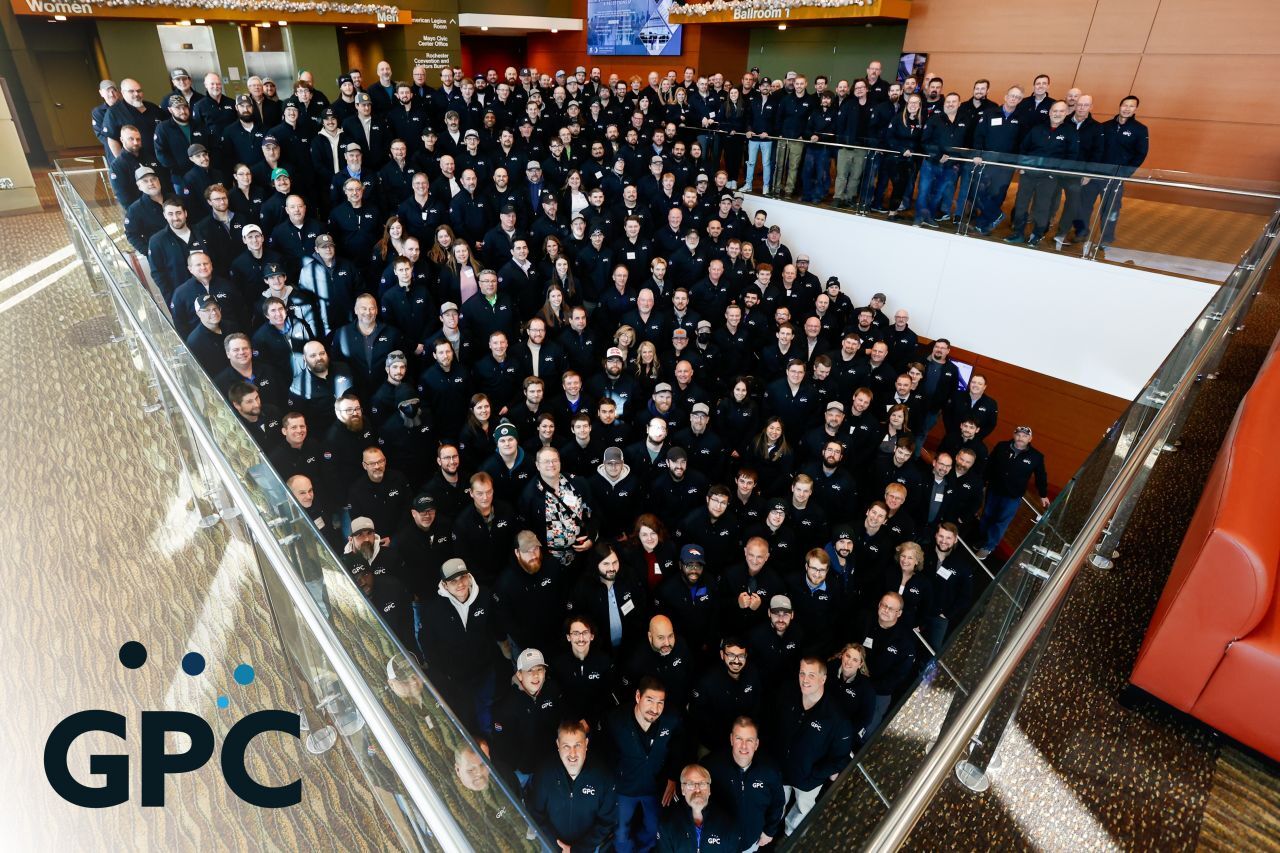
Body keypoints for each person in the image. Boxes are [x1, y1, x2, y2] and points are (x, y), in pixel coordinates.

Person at [415, 557, 504, 734]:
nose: (460, 584)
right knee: (464, 718)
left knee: (486, 714)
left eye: (462, 578)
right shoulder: (433, 610)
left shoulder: (485, 596)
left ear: (469, 577)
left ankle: (488, 750)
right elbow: (428, 646)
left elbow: (495, 629)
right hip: (457, 679)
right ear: (445, 585)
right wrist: (446, 672)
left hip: (484, 672)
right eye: (453, 581)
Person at [602, 677, 686, 853]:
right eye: (650, 700)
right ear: (638, 696)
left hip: (655, 787)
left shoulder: (671, 719)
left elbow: (679, 747)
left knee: (654, 828)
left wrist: (672, 777)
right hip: (624, 787)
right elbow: (606, 754)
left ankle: (642, 850)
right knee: (621, 831)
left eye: (660, 703)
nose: (655, 709)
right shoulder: (616, 720)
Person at [773, 657, 851, 836]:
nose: (805, 679)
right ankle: (770, 833)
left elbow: (840, 758)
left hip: (807, 780)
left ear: (823, 679)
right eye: (802, 673)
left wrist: (814, 774)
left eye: (811, 675)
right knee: (776, 805)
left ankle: (789, 838)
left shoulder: (836, 718)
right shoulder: (788, 696)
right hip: (781, 771)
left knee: (801, 812)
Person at [526, 720, 619, 852]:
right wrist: (557, 845)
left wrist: (578, 849)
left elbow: (606, 821)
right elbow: (535, 813)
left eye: (577, 745)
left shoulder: (603, 776)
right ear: (558, 745)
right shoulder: (544, 773)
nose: (573, 754)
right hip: (552, 847)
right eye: (566, 746)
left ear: (586, 744)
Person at [703, 717, 785, 852]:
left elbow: (778, 802)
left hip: (752, 839)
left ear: (757, 744)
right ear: (731, 739)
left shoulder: (769, 770)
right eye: (739, 738)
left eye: (749, 740)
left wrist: (769, 832)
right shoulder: (711, 766)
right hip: (719, 841)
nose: (744, 746)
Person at [976, 425, 1049, 559]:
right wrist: (982, 481)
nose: (1021, 438)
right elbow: (990, 464)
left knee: (1001, 520)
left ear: (1030, 438)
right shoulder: (1002, 446)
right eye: (1019, 435)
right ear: (1014, 435)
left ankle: (989, 546)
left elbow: (1041, 476)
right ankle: (982, 539)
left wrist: (1043, 494)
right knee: (987, 515)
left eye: (1025, 436)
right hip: (994, 489)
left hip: (1013, 496)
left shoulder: (1036, 457)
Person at [491, 648, 562, 787]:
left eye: (539, 669)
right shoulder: (506, 706)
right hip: (525, 768)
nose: (535, 675)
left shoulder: (553, 690)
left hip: (551, 760)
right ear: (519, 674)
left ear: (545, 672)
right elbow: (502, 746)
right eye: (529, 670)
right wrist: (518, 765)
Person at [656, 764, 740, 852]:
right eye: (690, 784)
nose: (697, 790)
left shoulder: (727, 823)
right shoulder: (667, 823)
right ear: (683, 789)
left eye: (702, 783)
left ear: (709, 789)